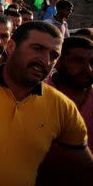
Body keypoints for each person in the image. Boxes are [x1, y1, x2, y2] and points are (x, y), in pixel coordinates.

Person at [0, 21, 93, 186]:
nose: (45, 60)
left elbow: (85, 168)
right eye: (37, 49)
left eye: (53, 55)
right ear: (10, 46)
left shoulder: (63, 107)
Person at [38, 36, 93, 185]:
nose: (87, 69)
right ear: (59, 60)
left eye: (92, 62)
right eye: (77, 60)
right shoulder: (34, 95)